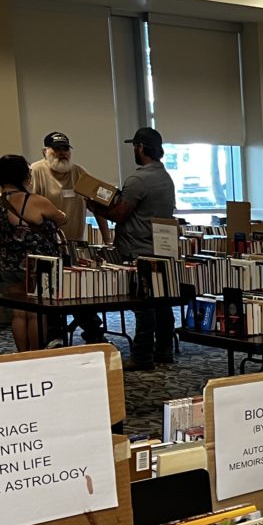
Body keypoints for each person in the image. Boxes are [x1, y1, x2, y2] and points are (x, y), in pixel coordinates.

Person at [88, 127, 176, 370]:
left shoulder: (138, 180)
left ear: (140, 147)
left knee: (143, 307)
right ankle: (164, 350)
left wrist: (97, 208)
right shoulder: (165, 177)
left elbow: (120, 214)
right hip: (160, 247)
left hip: (137, 249)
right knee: (163, 303)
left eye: (134, 147)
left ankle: (142, 356)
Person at [30, 131, 108, 344]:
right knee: (53, 295)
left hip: (75, 246)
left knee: (80, 294)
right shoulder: (35, 172)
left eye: (65, 149)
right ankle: (56, 338)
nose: (62, 153)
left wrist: (107, 239)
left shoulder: (79, 173)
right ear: (45, 151)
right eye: (57, 149)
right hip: (46, 248)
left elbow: (99, 205)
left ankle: (95, 336)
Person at [0, 154, 67, 352]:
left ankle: (23, 355)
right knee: (37, 313)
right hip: (37, 264)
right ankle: (36, 354)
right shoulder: (36, 201)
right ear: (24, 175)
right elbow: (61, 219)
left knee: (18, 313)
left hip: (8, 262)